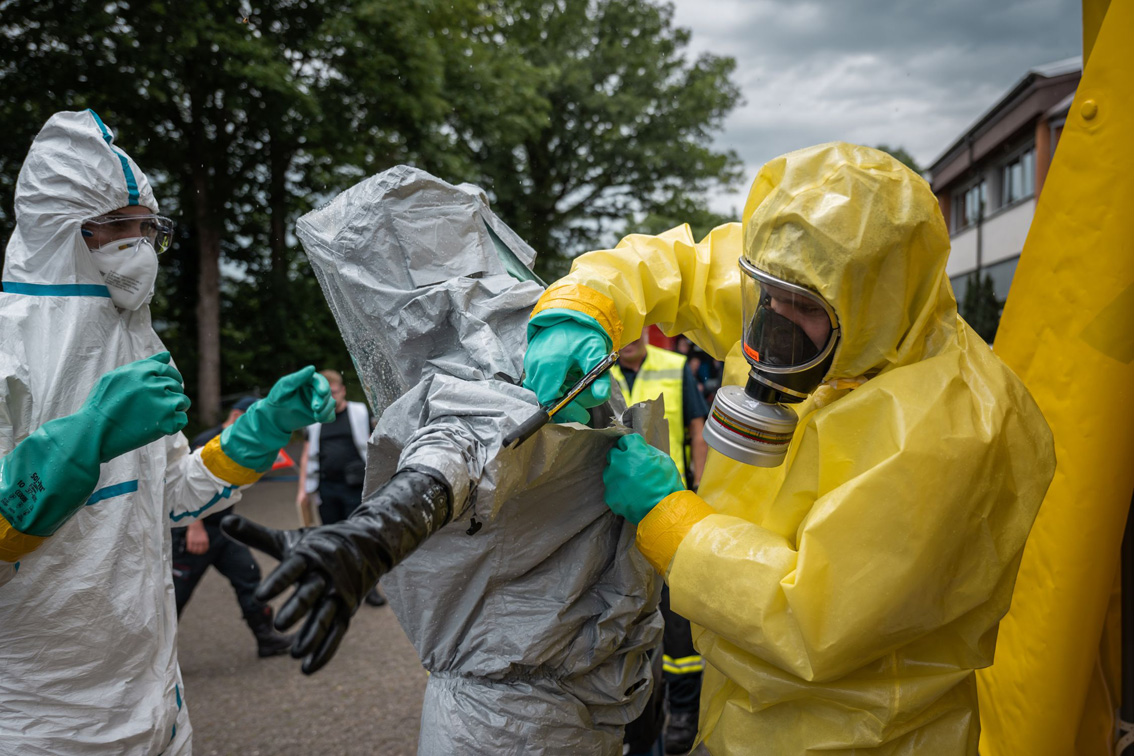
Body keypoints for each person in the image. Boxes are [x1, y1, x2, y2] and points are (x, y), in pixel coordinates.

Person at [521, 143, 1056, 754]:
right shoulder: (807, 291)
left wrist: (669, 516)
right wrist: (583, 307)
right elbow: (678, 266)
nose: (772, 321)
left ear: (873, 304)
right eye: (765, 296)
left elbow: (813, 617)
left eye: (799, 307)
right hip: (742, 708)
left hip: (863, 734)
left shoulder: (960, 429)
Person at [222, 165, 663, 755]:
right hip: (586, 682)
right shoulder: (548, 323)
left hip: (507, 715)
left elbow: (466, 442)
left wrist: (374, 534)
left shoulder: (483, 349)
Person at [0, 110, 333, 755]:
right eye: (119, 226)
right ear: (61, 231)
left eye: (149, 227)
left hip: (157, 705)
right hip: (40, 722)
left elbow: (173, 493)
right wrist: (82, 442)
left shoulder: (136, 342)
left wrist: (262, 430)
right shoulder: (9, 351)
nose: (141, 245)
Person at [612, 335, 707, 753]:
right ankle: (633, 720)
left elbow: (696, 428)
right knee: (623, 620)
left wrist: (701, 486)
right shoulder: (597, 371)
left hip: (672, 514)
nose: (629, 338)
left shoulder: (674, 366)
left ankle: (683, 710)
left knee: (680, 623)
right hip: (615, 524)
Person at [171, 396, 292, 657]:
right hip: (194, 530)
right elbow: (185, 488)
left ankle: (266, 638)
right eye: (252, 420)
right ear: (237, 415)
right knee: (175, 595)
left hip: (225, 528)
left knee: (248, 575)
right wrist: (194, 528)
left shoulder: (239, 443)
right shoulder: (207, 441)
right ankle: (156, 657)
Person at [296, 369, 385, 606]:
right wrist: (303, 489)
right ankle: (339, 586)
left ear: (342, 391)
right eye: (324, 394)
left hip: (356, 488)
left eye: (333, 392)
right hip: (326, 488)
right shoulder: (314, 420)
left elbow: (376, 443)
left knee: (360, 539)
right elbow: (307, 455)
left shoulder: (359, 412)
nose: (329, 398)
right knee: (332, 538)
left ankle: (368, 588)